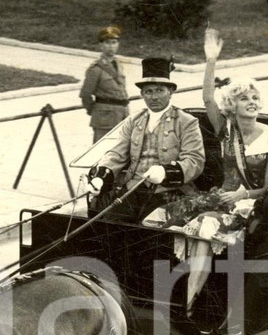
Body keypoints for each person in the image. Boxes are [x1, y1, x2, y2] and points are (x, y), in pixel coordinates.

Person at [158, 27, 268, 320]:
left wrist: (242, 194)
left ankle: (187, 306)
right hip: (217, 200)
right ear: (233, 105)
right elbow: (207, 99)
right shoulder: (227, 130)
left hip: (247, 207)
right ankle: (163, 292)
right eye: (243, 98)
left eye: (255, 97)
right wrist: (211, 60)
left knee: (204, 230)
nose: (251, 101)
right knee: (159, 217)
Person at [86, 56, 205, 225]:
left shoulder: (187, 121)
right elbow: (117, 153)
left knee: (150, 232)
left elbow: (195, 161)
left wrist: (166, 172)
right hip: (132, 188)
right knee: (110, 226)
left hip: (169, 192)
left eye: (159, 90)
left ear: (170, 92)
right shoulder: (134, 120)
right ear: (142, 94)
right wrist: (101, 175)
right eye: (149, 91)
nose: (154, 97)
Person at [80, 26, 129, 143]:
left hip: (122, 115)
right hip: (104, 119)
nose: (111, 46)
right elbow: (85, 94)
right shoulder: (96, 69)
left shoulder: (118, 64)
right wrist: (95, 110)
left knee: (121, 154)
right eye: (107, 43)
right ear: (101, 46)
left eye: (114, 42)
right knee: (102, 153)